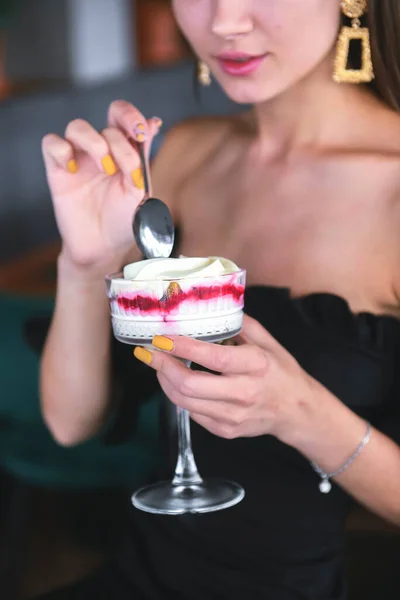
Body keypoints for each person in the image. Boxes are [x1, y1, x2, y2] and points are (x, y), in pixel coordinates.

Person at [38, 1, 400, 598]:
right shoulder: (183, 157)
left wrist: (300, 413)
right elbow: (69, 423)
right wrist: (86, 264)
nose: (225, 19)